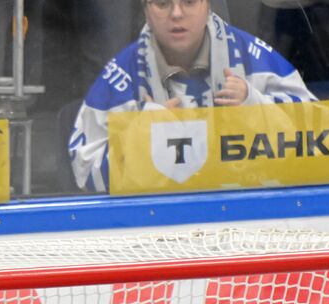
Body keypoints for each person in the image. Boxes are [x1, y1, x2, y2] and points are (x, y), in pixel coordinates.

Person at [68, 0, 315, 193]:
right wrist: (142, 137)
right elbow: (84, 172)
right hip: (158, 227)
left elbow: (322, 136)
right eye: (162, 4)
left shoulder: (253, 58)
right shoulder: (121, 76)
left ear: (207, 5)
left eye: (189, 2)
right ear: (145, 9)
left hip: (247, 220)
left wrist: (254, 106)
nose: (176, 13)